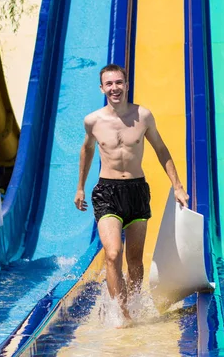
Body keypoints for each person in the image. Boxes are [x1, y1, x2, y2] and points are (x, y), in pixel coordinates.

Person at [74, 63, 189, 322]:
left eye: (119, 82)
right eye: (109, 84)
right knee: (112, 253)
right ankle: (120, 313)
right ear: (102, 88)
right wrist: (80, 186)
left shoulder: (143, 116)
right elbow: (87, 150)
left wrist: (178, 186)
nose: (114, 88)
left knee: (135, 262)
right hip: (107, 192)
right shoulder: (92, 121)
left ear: (126, 84)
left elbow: (161, 149)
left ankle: (134, 307)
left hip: (137, 191)